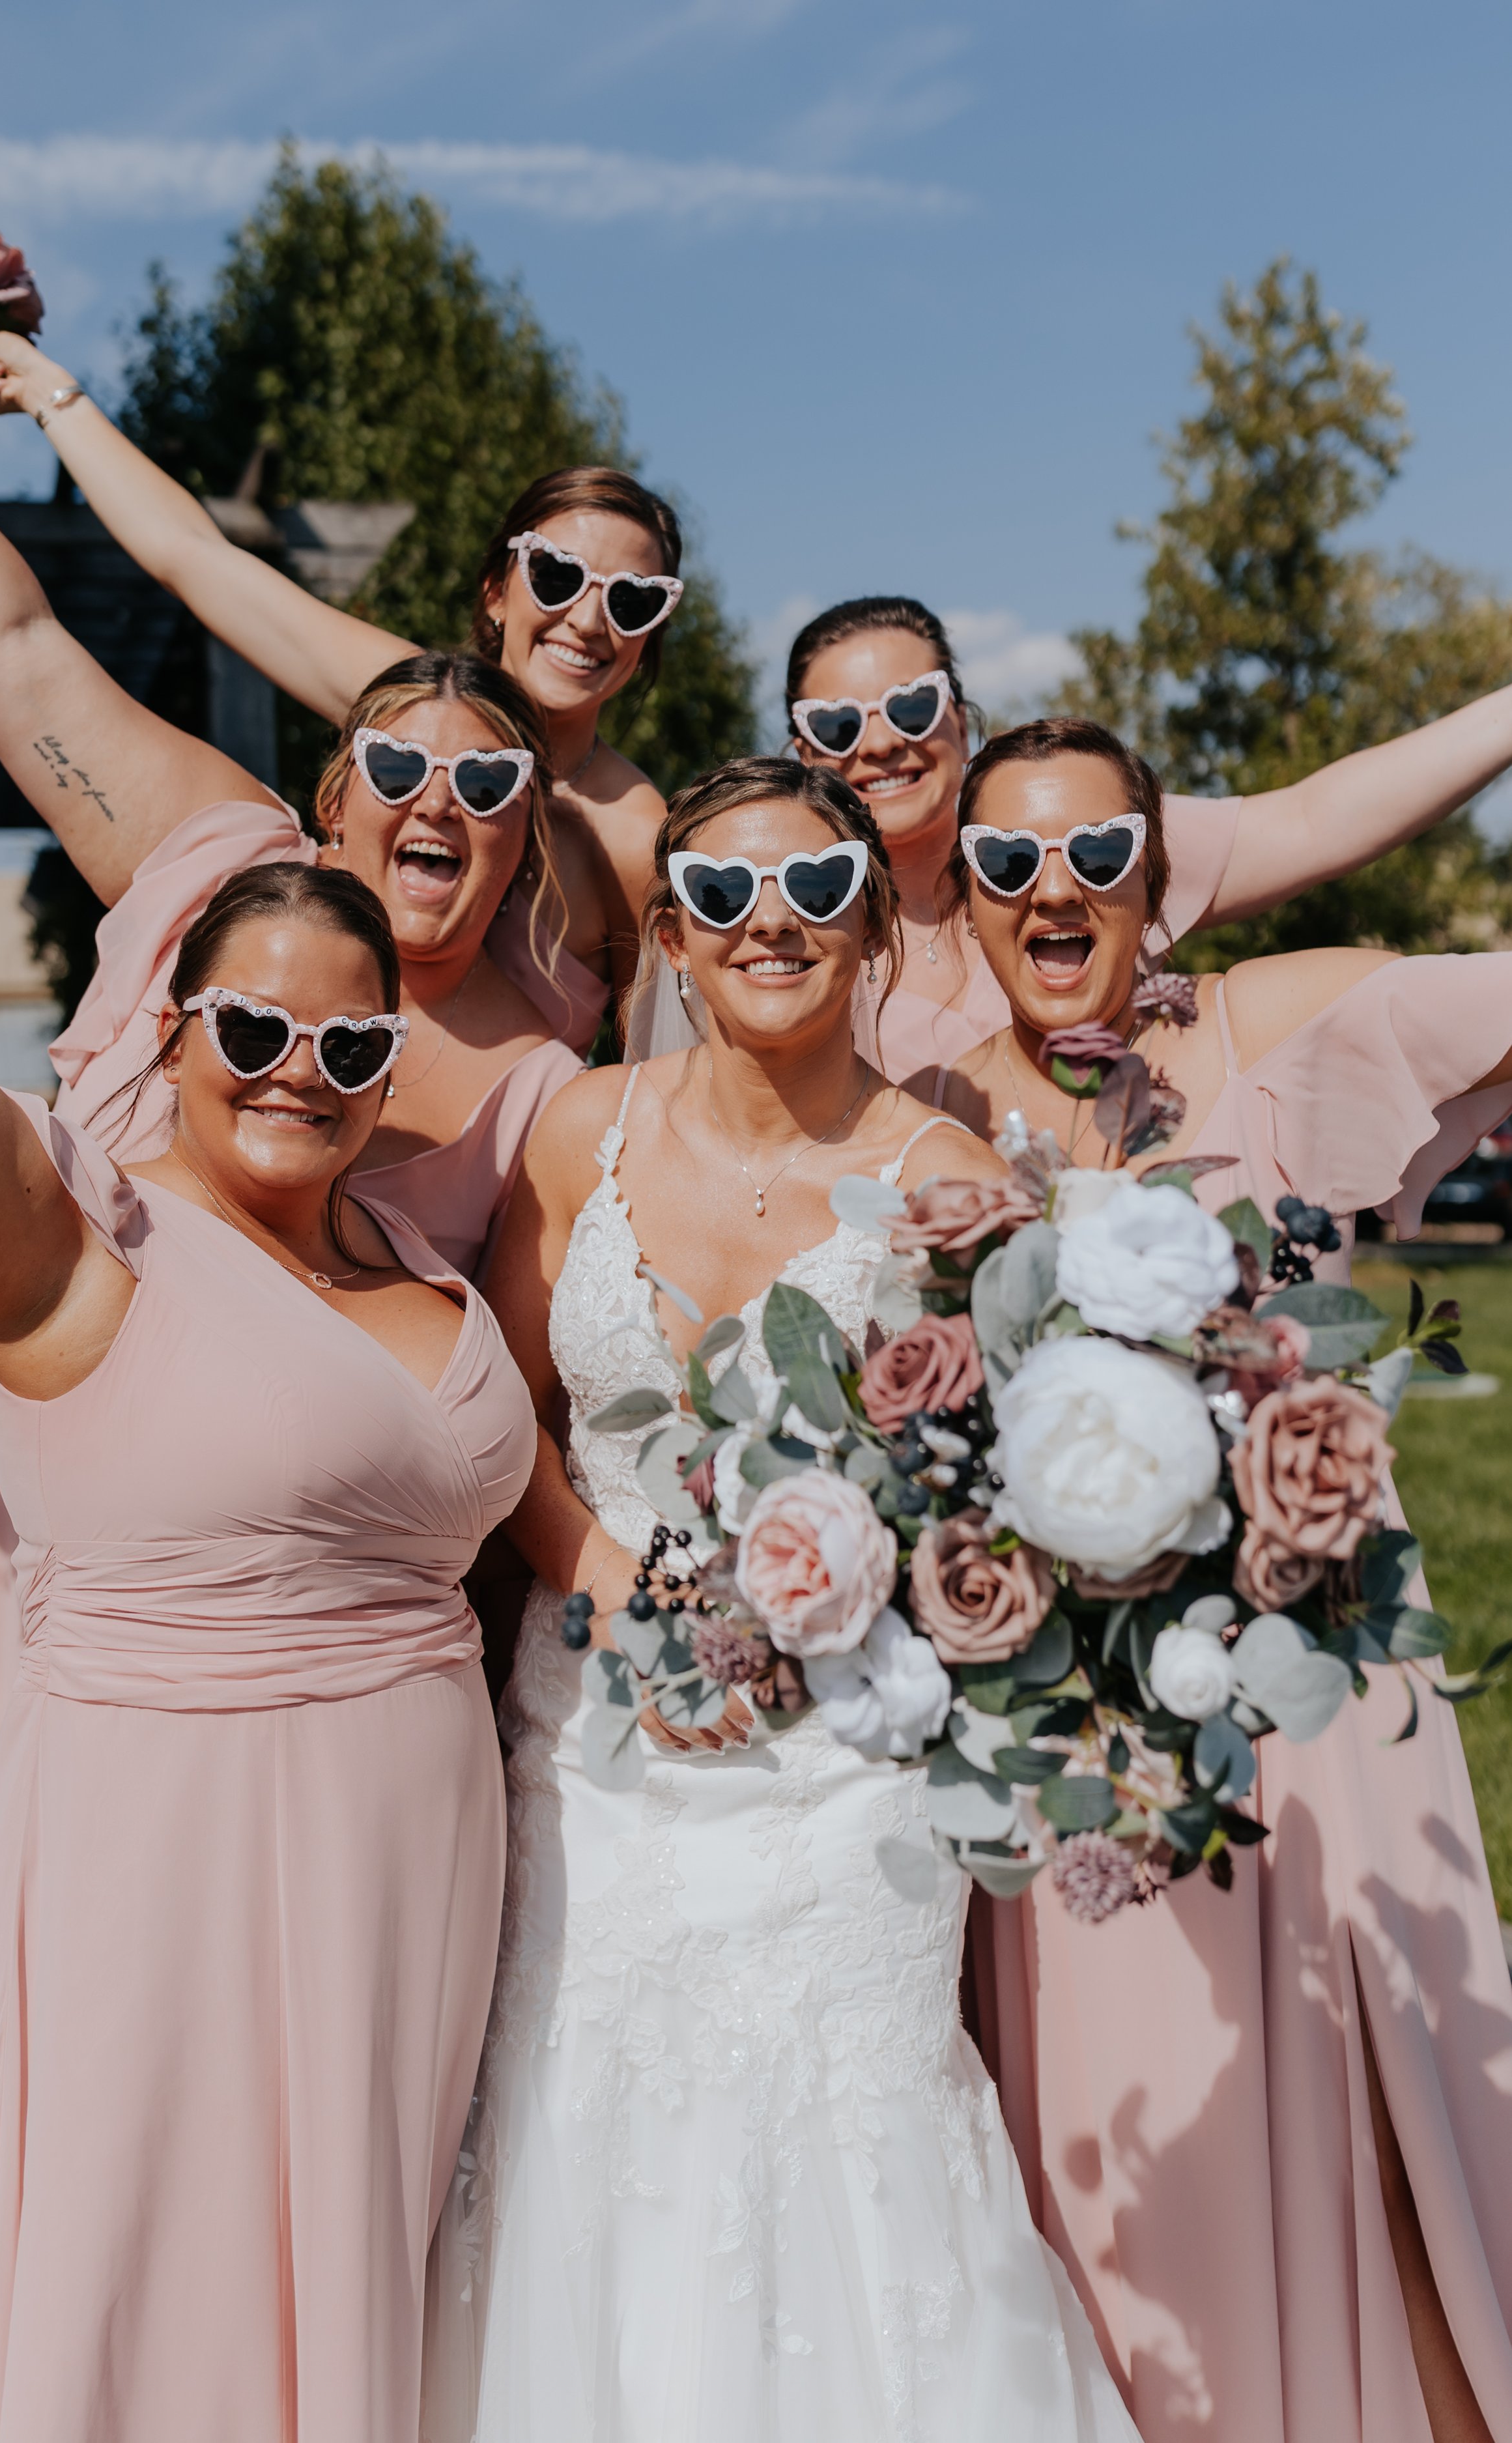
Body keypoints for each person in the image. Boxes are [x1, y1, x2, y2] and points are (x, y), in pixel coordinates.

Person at [0, 400, 577, 2169]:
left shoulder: (535, 1081)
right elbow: (3, 636)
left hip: (243, 1571)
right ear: (332, 794)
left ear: (521, 839)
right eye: (396, 762)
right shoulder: (203, 842)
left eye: (489, 779)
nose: (439, 796)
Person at [421, 756, 1142, 2442]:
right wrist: (601, 1575)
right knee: (587, 2136)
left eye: (816, 888)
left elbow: (999, 1496)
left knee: (858, 2142)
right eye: (726, 892)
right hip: (591, 1750)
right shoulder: (580, 1124)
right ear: (671, 929)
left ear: (875, 924)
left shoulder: (957, 1177)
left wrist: (849, 1607)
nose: (773, 922)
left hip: (842, 1781)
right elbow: (504, 1414)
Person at [0, 859, 535, 2440]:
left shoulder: (412, 1241)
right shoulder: (79, 1244)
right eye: (250, 1027)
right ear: (169, 1036)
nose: (298, 1068)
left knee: (345, 2269)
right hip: (166, 1878)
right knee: (146, 2262)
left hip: (403, 1906)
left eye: (349, 1042)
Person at [941, 716, 1512, 2443]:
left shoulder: (1269, 1043)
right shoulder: (924, 1117)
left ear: (1155, 882)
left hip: (1316, 1710)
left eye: (1098, 852)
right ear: (963, 899)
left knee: (1382, 2138)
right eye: (1008, 859)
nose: (1055, 884)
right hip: (1077, 1738)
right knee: (1132, 2168)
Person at [0, 324, 690, 1038]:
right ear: (498, 589)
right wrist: (50, 393)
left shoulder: (632, 839)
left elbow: (678, 1078)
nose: (590, 621)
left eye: (632, 599)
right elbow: (194, 557)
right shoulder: (401, 704)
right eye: (557, 577)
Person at [783, 596, 1512, 1089]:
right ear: (801, 753)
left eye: (912, 708)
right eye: (838, 726)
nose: (879, 743)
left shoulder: (1100, 843)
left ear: (961, 723)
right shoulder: (782, 933)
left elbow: (1312, 821)